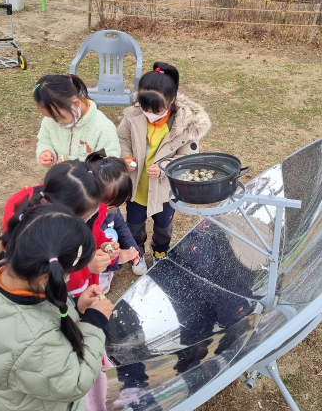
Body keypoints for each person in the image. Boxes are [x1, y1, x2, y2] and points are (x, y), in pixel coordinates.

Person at [0, 204, 115, 411]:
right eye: (68, 273)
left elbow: (44, 325)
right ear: (47, 274)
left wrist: (78, 308)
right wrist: (94, 323)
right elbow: (74, 382)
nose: (68, 277)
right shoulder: (32, 339)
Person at [117, 62, 211, 262]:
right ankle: (137, 253)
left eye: (157, 111)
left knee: (163, 225)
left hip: (165, 190)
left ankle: (160, 252)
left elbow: (187, 161)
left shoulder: (185, 126)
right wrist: (126, 156)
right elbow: (122, 139)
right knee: (133, 224)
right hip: (136, 187)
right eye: (145, 109)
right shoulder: (133, 115)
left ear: (171, 102)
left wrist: (163, 169)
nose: (150, 115)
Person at [1, 160, 137, 295]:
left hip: (81, 290)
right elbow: (48, 275)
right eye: (84, 219)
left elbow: (93, 230)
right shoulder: (38, 235)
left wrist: (102, 243)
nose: (89, 219)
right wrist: (86, 268)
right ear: (65, 215)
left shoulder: (86, 199)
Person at [85, 151, 145, 292]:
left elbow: (120, 225)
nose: (112, 210)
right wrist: (116, 259)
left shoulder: (111, 208)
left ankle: (105, 273)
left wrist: (132, 247)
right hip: (86, 264)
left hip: (105, 254)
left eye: (117, 206)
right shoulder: (82, 220)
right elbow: (83, 255)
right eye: (110, 206)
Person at [34, 74, 121, 167]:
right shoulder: (50, 121)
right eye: (51, 117)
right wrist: (46, 152)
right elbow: (44, 141)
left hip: (89, 181)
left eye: (59, 117)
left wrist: (78, 167)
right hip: (61, 179)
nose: (57, 122)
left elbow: (110, 163)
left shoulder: (103, 127)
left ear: (75, 103)